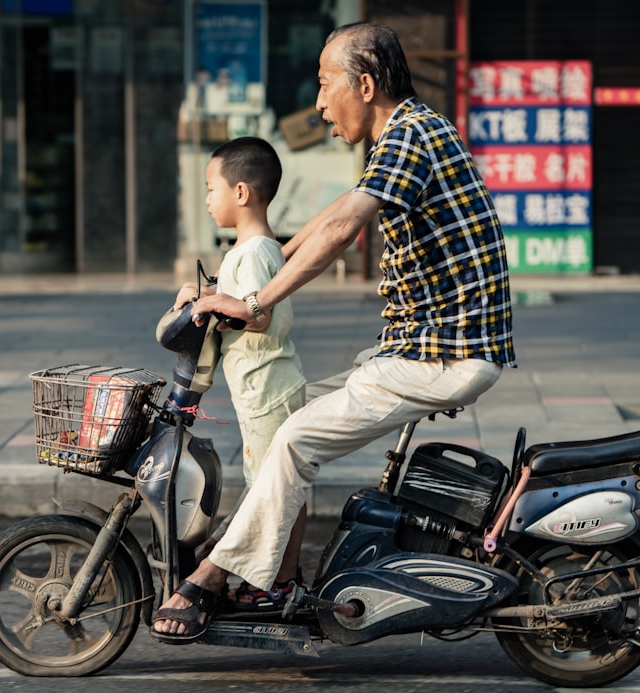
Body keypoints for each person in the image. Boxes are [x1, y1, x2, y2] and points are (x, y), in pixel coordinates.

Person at [151, 22, 516, 643]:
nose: (319, 104)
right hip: (417, 349)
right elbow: (328, 216)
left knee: (294, 439)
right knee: (296, 413)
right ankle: (273, 572)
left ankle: (211, 577)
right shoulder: (411, 133)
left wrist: (254, 300)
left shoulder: (410, 137)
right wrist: (249, 268)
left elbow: (344, 226)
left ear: (365, 85)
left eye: (326, 85)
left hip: (444, 357)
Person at [168, 136, 309, 612]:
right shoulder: (258, 249)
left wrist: (216, 303)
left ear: (242, 192)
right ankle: (278, 576)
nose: (207, 199)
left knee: (276, 490)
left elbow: (258, 313)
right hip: (271, 385)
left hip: (266, 390)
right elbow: (240, 300)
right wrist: (206, 294)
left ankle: (280, 583)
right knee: (277, 485)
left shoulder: (250, 253)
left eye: (212, 189)